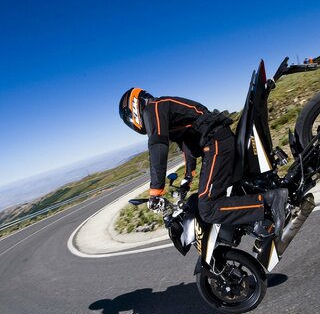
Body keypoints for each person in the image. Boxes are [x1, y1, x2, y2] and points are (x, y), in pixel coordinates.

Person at [118, 88, 288, 235]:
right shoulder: (163, 110)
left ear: (133, 109)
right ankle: (258, 220)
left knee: (208, 208)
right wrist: (188, 177)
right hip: (216, 142)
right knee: (218, 194)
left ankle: (270, 201)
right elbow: (187, 147)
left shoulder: (153, 108)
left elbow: (158, 147)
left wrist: (155, 192)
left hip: (215, 143)